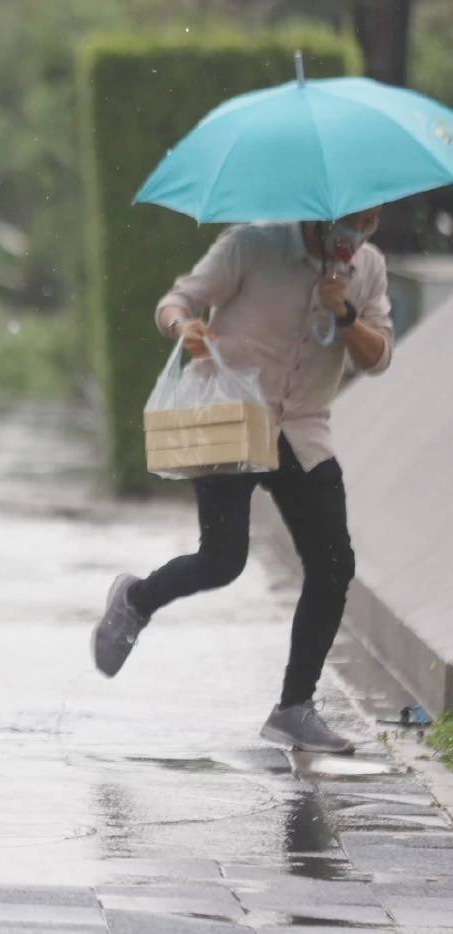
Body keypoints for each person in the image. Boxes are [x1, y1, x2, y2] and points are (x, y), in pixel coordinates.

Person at [92, 207, 394, 754]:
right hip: (231, 419)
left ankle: (294, 708)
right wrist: (183, 327)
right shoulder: (252, 247)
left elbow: (378, 358)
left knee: (333, 566)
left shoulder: (368, 267)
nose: (360, 233)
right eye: (353, 220)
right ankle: (137, 598)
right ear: (323, 213)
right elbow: (176, 300)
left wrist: (344, 314)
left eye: (372, 221)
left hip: (303, 429)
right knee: (222, 561)